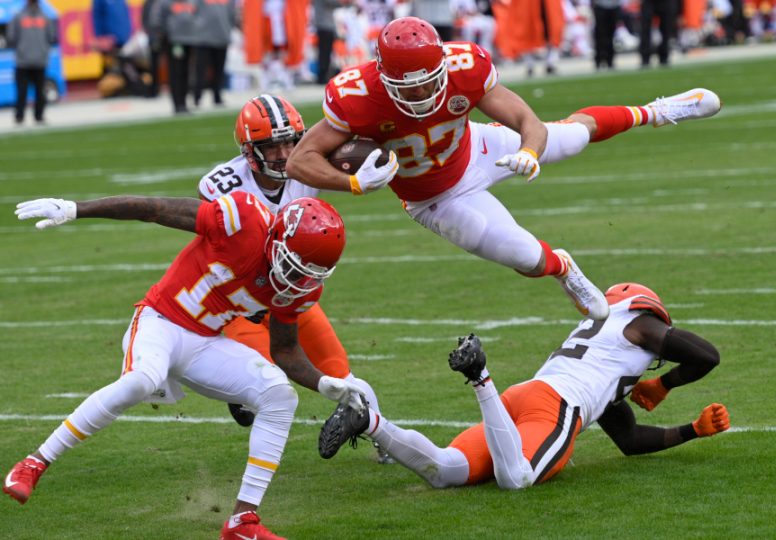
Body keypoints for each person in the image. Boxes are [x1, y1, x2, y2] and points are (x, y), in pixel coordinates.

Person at [287, 16, 721, 322]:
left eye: (427, 78)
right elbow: (299, 159)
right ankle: (564, 270)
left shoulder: (464, 66)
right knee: (525, 256)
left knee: (568, 137)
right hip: (433, 199)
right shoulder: (356, 95)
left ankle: (658, 111)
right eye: (408, 84)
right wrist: (352, 182)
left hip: (476, 147)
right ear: (382, 76)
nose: (421, 90)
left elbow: (526, 121)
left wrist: (531, 152)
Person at [7, 194, 367, 540]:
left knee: (279, 396)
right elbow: (154, 209)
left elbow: (285, 351)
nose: (295, 279)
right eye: (291, 264)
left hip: (205, 342)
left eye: (307, 272)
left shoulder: (300, 286)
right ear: (276, 237)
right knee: (141, 381)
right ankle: (35, 462)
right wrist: (75, 209)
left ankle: (243, 521)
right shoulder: (242, 221)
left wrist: (323, 384)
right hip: (159, 321)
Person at [319, 282, 731, 490]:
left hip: (525, 396)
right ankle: (480, 376)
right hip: (556, 407)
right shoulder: (640, 323)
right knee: (516, 478)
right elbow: (706, 355)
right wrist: (663, 384)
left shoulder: (602, 348)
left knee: (445, 470)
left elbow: (629, 440)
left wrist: (691, 431)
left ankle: (369, 421)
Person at [203, 93, 389, 463]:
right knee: (262, 389)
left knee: (345, 379)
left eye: (291, 141)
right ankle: (240, 400)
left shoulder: (308, 165)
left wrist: (362, 174)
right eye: (273, 146)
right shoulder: (222, 186)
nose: (286, 153)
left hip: (292, 296)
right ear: (249, 150)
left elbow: (356, 141)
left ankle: (390, 443)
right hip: (246, 302)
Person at [6, 0, 57, 126]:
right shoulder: (44, 17)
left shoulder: (18, 16)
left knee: (29, 91)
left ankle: (24, 116)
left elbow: (11, 37)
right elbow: (51, 37)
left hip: (26, 60)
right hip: (33, 60)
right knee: (33, 91)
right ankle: (34, 116)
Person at [192, 0, 237, 107]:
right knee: (200, 70)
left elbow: (232, 15)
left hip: (222, 37)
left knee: (219, 69)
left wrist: (227, 30)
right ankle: (197, 97)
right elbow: (193, 12)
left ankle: (217, 96)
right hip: (203, 39)